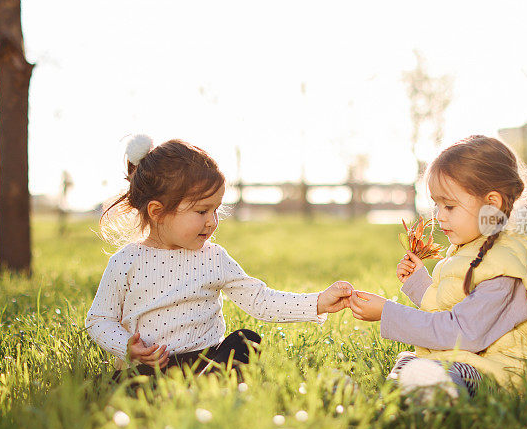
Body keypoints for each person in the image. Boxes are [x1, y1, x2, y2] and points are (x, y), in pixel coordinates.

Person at [86, 135, 352, 379]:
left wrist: (317, 302)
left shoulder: (213, 257)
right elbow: (99, 320)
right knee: (113, 386)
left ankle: (208, 385)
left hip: (206, 362)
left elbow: (260, 299)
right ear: (157, 212)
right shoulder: (126, 262)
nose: (212, 222)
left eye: (216, 210)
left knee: (245, 340)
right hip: (153, 367)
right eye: (202, 211)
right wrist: (127, 347)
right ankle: (174, 392)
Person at [349, 135, 527, 397]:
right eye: (436, 204)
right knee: (408, 361)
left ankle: (426, 406)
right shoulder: (474, 249)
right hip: (467, 358)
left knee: (444, 374)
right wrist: (419, 282)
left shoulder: (505, 270)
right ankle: (392, 402)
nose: (438, 215)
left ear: (492, 204)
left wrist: (388, 312)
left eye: (449, 206)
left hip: (498, 371)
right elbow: (453, 307)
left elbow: (461, 332)